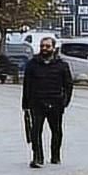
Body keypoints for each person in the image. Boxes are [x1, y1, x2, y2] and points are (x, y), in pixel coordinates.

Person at [22, 35, 74, 168]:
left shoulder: (62, 65)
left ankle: (55, 156)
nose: (44, 49)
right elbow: (26, 85)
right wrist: (25, 105)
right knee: (35, 131)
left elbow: (68, 85)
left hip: (56, 103)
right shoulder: (32, 64)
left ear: (53, 48)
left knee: (56, 131)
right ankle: (37, 158)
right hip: (37, 103)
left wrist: (65, 102)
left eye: (47, 46)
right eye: (42, 46)